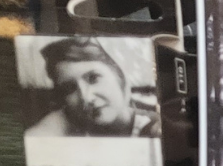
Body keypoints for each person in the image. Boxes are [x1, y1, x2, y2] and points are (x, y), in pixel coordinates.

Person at [26, 37, 155, 138]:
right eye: (70, 88)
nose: (86, 98)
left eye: (93, 78)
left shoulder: (153, 124)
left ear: (119, 77)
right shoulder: (69, 120)